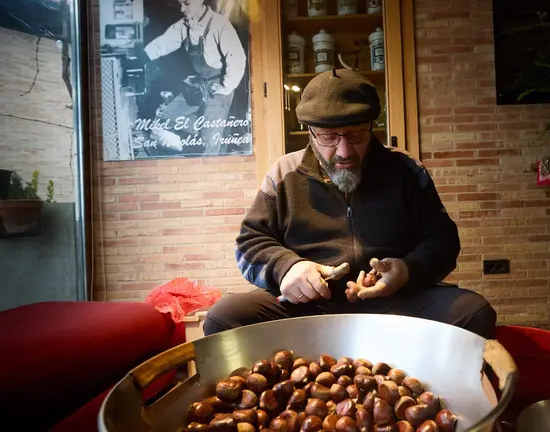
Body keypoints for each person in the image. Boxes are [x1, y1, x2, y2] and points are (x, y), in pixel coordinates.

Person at [203, 69, 497, 339]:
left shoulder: (406, 170)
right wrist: (287, 268)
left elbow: (443, 241)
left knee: (473, 313)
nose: (344, 152)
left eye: (356, 135)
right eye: (329, 137)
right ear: (310, 132)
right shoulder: (284, 174)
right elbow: (248, 245)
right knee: (224, 318)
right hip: (308, 307)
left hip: (395, 302)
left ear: (371, 126)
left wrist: (407, 271)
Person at [141, 0, 246, 155]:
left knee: (209, 142)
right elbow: (164, 42)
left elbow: (237, 58)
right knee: (166, 117)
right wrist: (142, 57)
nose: (182, 9)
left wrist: (226, 87)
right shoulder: (185, 25)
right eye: (180, 4)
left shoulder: (219, 25)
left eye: (187, 4)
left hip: (219, 85)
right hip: (200, 83)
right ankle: (205, 132)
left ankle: (212, 143)